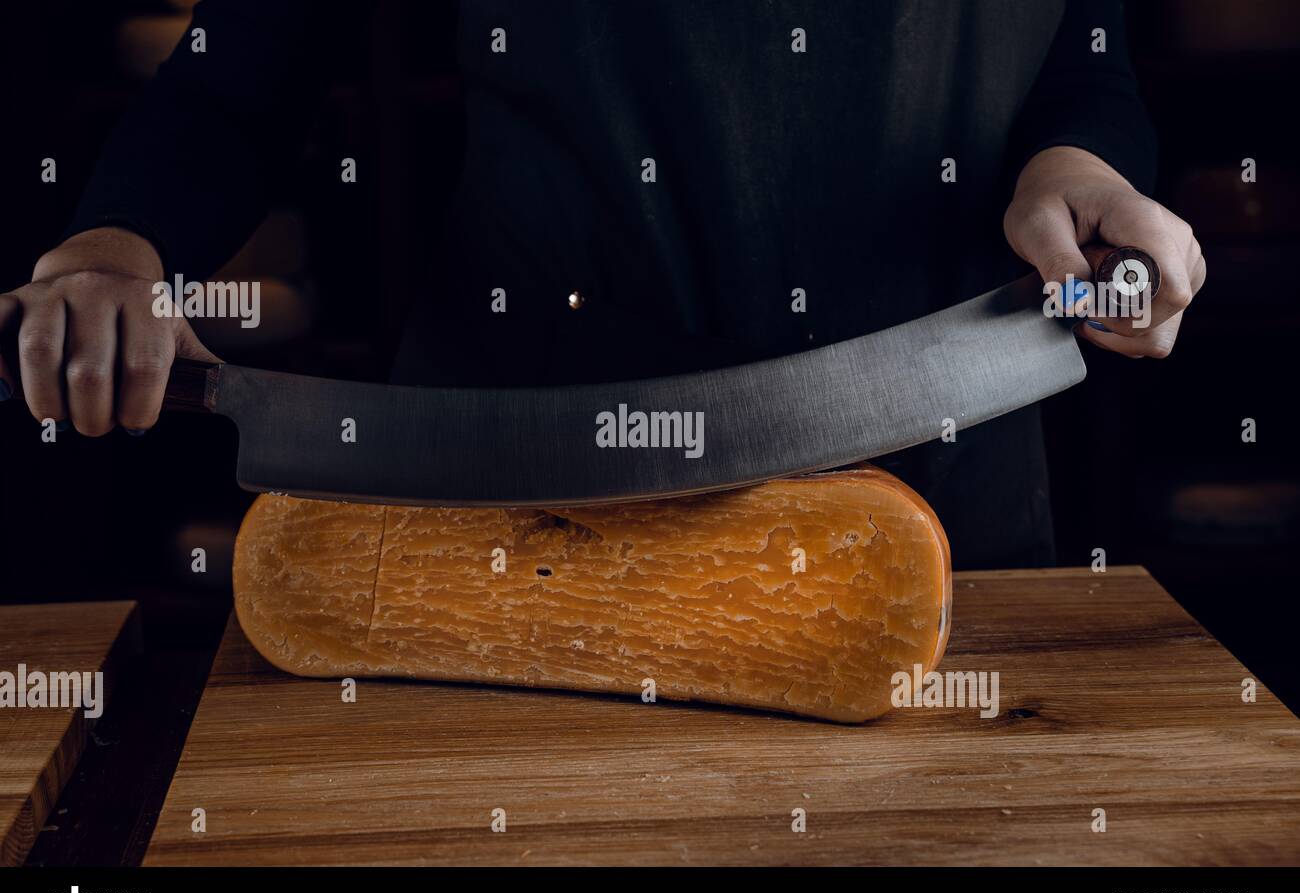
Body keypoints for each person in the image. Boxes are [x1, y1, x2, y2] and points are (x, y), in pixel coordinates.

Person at [0, 1, 1205, 569]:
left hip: (944, 493)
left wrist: (1084, 166)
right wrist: (121, 244)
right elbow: (247, 63)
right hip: (513, 511)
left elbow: (1077, 50)